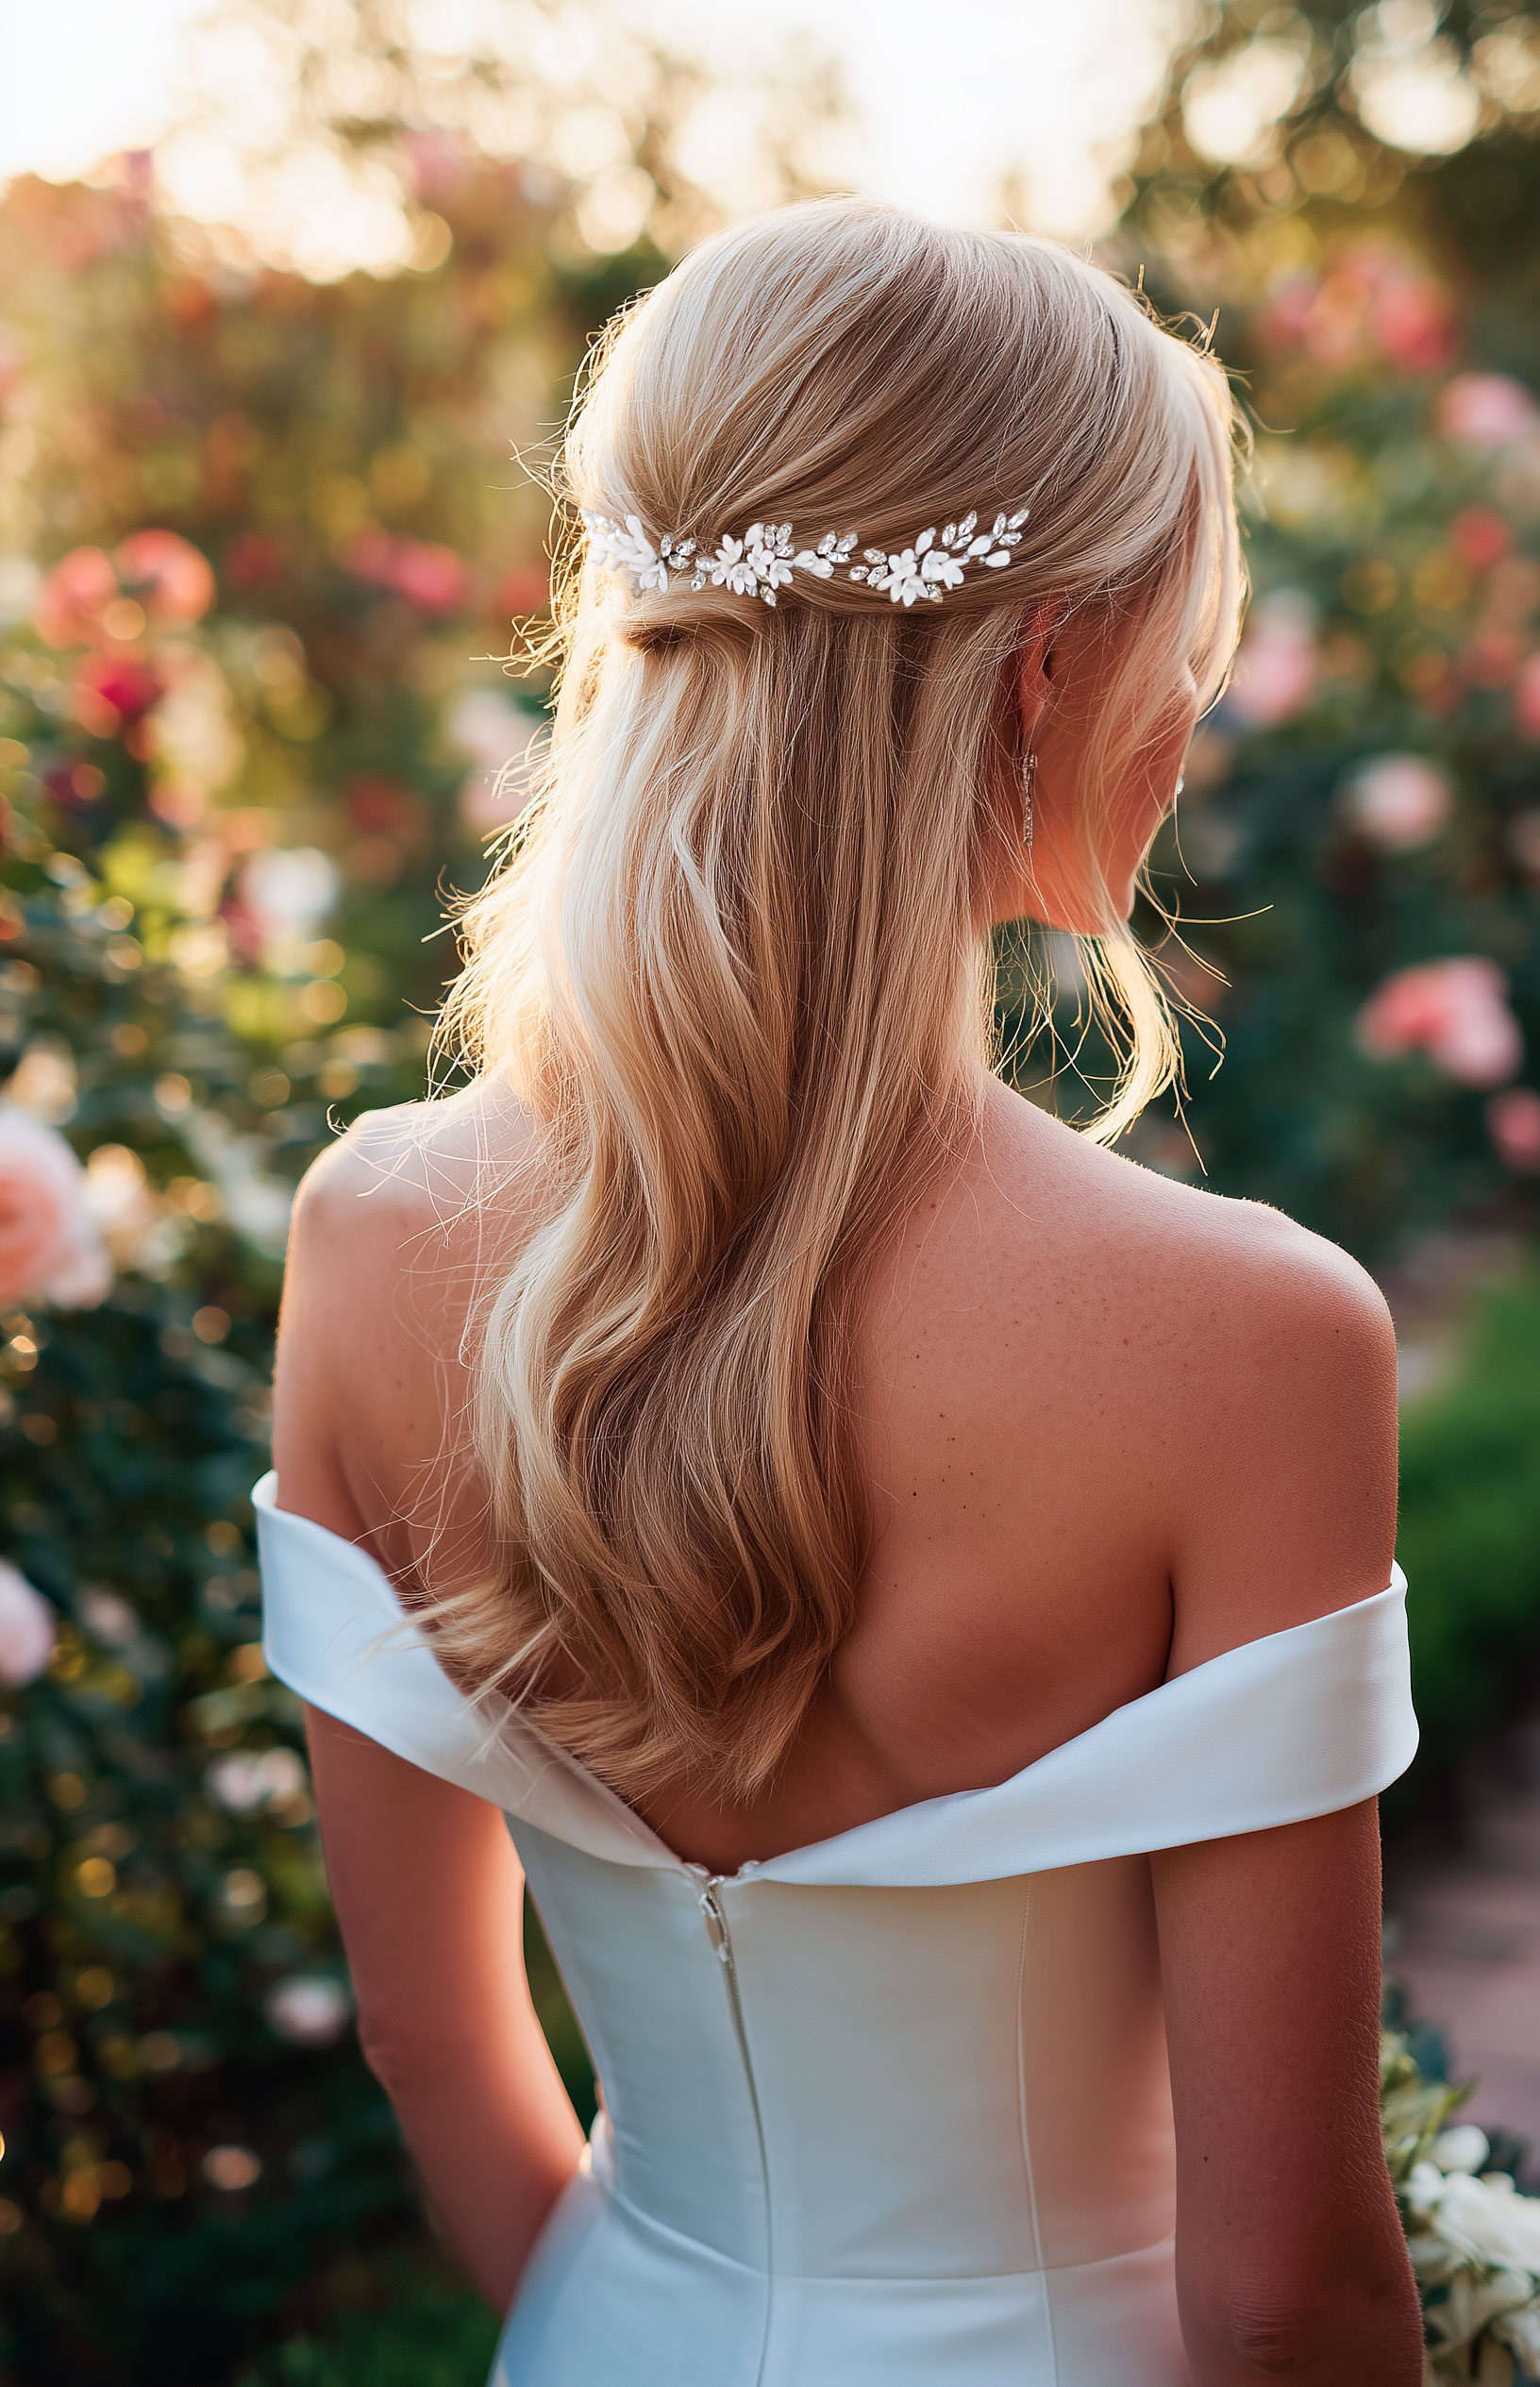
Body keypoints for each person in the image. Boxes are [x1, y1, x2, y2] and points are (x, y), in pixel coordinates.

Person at [259, 198, 1426, 2385]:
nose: (1195, 700)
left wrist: (653, 2321)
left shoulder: (368, 1228)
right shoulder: (1257, 1336)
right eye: (1186, 620)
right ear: (1054, 660)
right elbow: (1284, 2284)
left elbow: (431, 2032)